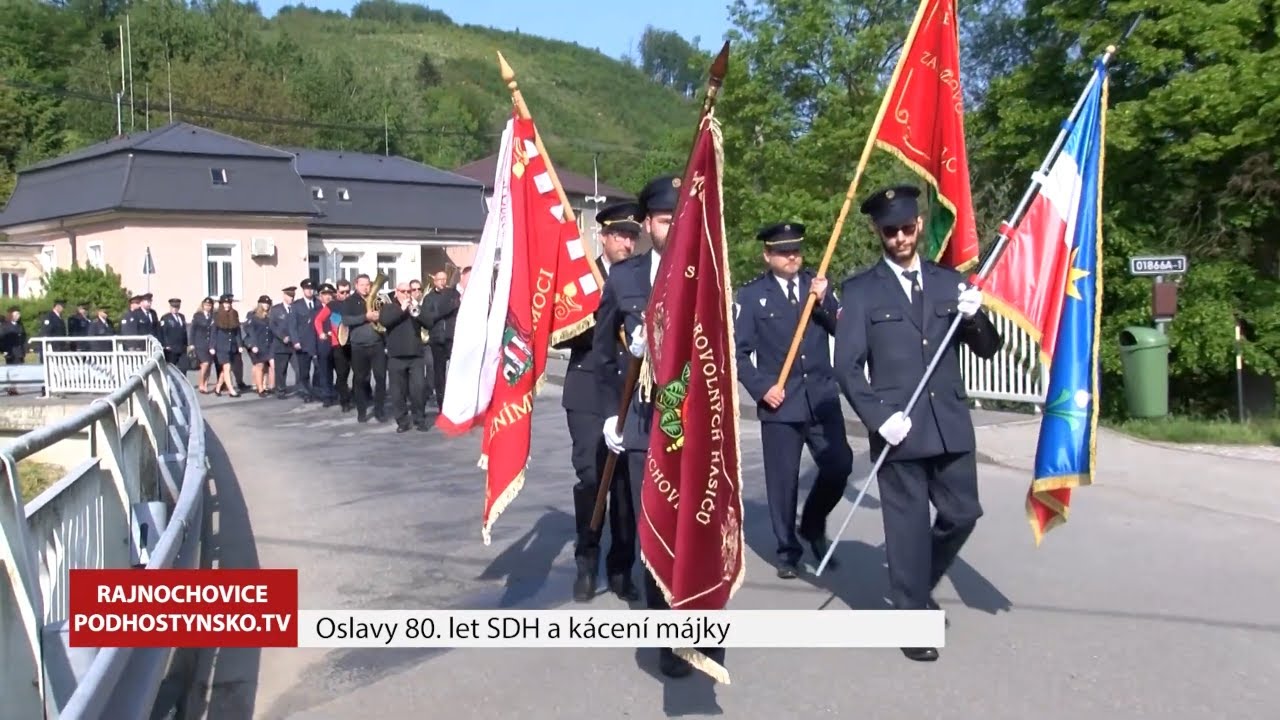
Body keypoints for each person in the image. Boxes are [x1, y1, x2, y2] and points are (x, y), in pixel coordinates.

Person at [833, 184, 1002, 663]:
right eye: (891, 230)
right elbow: (847, 366)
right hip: (899, 428)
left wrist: (974, 319)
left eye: (908, 228)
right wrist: (878, 418)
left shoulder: (951, 283)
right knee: (905, 529)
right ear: (877, 232)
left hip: (947, 423)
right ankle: (912, 614)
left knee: (963, 514)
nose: (901, 237)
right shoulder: (862, 291)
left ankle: (917, 579)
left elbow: (989, 349)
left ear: (920, 225)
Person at [594, 174, 702, 678]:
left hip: (692, 425)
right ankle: (669, 635)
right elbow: (600, 356)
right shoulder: (625, 279)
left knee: (691, 529)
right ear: (649, 224)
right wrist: (609, 418)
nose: (674, 228)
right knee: (655, 529)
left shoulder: (705, 275)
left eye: (681, 219)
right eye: (665, 220)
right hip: (639, 423)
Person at [733, 221, 852, 579]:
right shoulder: (753, 297)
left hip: (822, 397)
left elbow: (842, 331)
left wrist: (825, 302)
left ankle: (812, 523)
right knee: (783, 481)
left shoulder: (817, 285)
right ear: (767, 255)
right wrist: (761, 387)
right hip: (781, 402)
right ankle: (788, 548)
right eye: (783, 252)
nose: (792, 257)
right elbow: (738, 353)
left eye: (796, 250)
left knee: (839, 465)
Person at [556, 200, 638, 601]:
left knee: (627, 483)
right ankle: (587, 558)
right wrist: (596, 317)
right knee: (592, 478)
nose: (627, 242)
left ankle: (623, 566)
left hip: (632, 390)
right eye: (620, 234)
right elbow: (558, 334)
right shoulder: (581, 281)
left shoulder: (644, 278)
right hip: (588, 391)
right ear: (602, 237)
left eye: (632, 235)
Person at [379, 281, 432, 432]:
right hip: (396, 356)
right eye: (403, 291)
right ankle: (402, 421)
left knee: (418, 389)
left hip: (415, 355)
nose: (406, 294)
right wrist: (401, 310)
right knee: (397, 392)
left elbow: (429, 323)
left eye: (409, 291)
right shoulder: (388, 307)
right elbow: (385, 322)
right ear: (396, 292)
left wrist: (417, 310)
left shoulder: (415, 308)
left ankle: (419, 419)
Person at [340, 274, 388, 423]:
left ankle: (379, 410)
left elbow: (386, 319)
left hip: (377, 344)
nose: (366, 287)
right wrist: (365, 317)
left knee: (380, 379)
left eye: (368, 284)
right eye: (362, 285)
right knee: (360, 380)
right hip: (359, 346)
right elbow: (346, 320)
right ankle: (362, 411)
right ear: (356, 285)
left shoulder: (377, 299)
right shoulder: (349, 301)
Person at [424, 270, 460, 407]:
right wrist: (446, 308)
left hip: (452, 338)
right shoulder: (429, 298)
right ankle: (441, 403)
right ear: (435, 281)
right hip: (437, 339)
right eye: (440, 279)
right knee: (439, 373)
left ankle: (455, 401)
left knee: (456, 371)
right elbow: (428, 317)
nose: (442, 282)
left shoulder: (453, 294)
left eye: (445, 279)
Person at [290, 278, 320, 403]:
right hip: (303, 343)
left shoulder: (318, 303)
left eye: (311, 289)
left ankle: (317, 390)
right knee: (304, 371)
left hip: (317, 342)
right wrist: (295, 341)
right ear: (303, 290)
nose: (310, 291)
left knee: (319, 369)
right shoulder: (297, 306)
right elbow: (292, 325)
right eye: (307, 289)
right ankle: (305, 392)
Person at [327, 279, 354, 411]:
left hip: (353, 343)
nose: (345, 295)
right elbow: (318, 320)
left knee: (360, 373)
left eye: (348, 292)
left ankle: (358, 395)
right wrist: (324, 333)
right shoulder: (332, 305)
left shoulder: (354, 303)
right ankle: (344, 401)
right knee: (342, 374)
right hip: (338, 345)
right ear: (337, 292)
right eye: (342, 292)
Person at [310, 283, 338, 407]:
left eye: (329, 294)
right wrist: (313, 350)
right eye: (324, 294)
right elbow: (311, 332)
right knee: (325, 372)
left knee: (340, 371)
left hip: (337, 344)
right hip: (323, 345)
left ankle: (337, 392)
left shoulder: (336, 308)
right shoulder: (315, 311)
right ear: (320, 296)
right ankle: (327, 395)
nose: (327, 297)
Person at [210, 294, 243, 397]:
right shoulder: (216, 315)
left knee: (227, 369)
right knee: (227, 367)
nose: (227, 305)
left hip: (232, 345)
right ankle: (231, 390)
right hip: (221, 346)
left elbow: (237, 331)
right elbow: (213, 332)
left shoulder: (234, 314)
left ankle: (218, 388)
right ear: (221, 304)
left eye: (229, 303)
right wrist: (212, 346)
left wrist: (239, 345)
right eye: (225, 303)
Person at [269, 286, 296, 398]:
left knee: (299, 368)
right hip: (281, 345)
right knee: (281, 369)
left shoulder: (295, 308)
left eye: (293, 296)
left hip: (294, 344)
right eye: (289, 296)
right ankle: (280, 390)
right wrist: (282, 337)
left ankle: (302, 388)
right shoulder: (276, 309)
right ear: (284, 296)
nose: (291, 298)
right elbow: (272, 326)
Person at [244, 296, 274, 396]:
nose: (266, 305)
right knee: (259, 365)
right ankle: (260, 389)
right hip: (256, 344)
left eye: (268, 304)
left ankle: (265, 385)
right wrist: (253, 345)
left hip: (267, 344)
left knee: (266, 366)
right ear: (260, 304)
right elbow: (250, 331)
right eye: (264, 303)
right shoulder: (253, 316)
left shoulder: (270, 316)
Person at [188, 297, 215, 393]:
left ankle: (205, 384)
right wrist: (191, 343)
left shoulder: (213, 316)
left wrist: (213, 345)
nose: (208, 307)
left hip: (210, 344)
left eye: (210, 305)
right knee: (205, 364)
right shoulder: (198, 316)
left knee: (209, 365)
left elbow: (213, 331)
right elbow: (193, 330)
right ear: (203, 305)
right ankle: (201, 383)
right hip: (200, 344)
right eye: (206, 305)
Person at [159, 298, 188, 367]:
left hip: (181, 347)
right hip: (171, 348)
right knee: (171, 367)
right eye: (173, 307)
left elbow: (184, 331)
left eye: (177, 307)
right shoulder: (165, 317)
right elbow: (163, 332)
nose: (175, 309)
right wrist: (166, 345)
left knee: (183, 368)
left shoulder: (182, 317)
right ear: (170, 307)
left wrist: (186, 344)